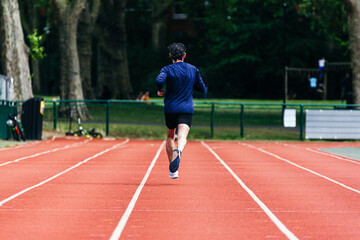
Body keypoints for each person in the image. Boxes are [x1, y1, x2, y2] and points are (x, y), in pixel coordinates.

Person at [156, 43, 206, 179]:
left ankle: (173, 171)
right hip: (186, 108)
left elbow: (159, 79)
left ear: (170, 55)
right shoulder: (193, 69)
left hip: (170, 108)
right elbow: (202, 87)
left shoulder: (166, 69)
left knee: (170, 136)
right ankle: (179, 151)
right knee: (182, 136)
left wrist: (160, 90)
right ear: (184, 55)